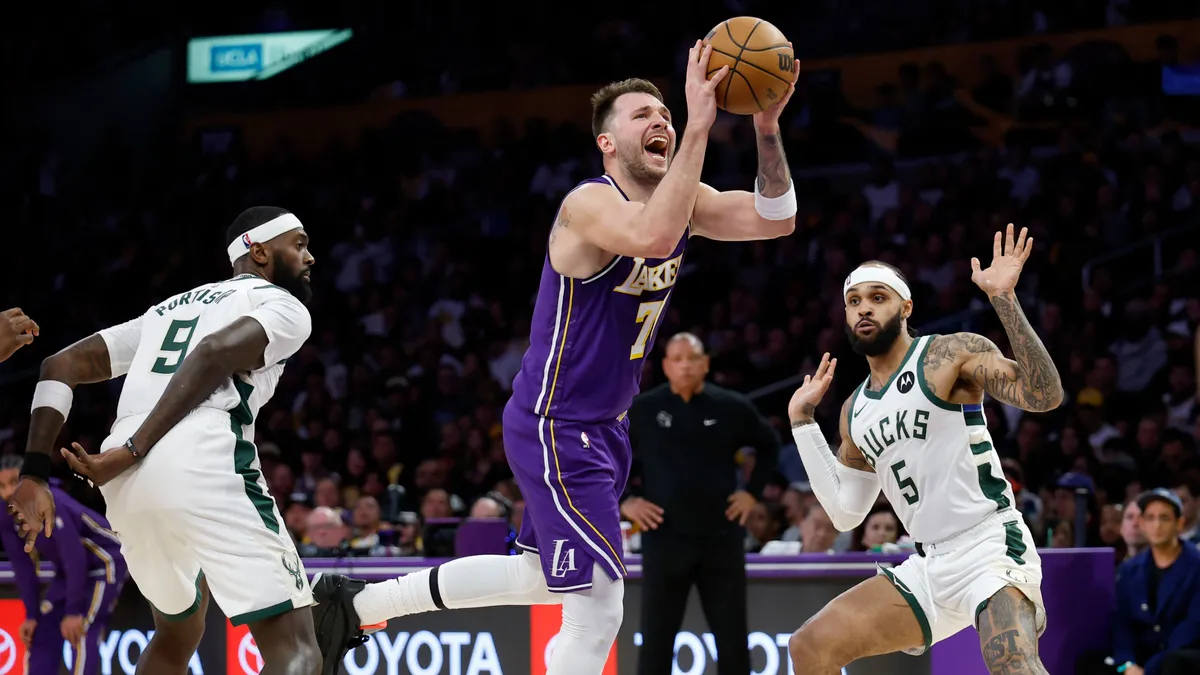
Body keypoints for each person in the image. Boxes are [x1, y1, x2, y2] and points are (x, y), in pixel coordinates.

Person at [312, 41, 801, 675]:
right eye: (642, 115)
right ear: (607, 143)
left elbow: (776, 218)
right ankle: (359, 605)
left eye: (666, 113)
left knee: (542, 576)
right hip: (559, 422)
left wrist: (766, 127)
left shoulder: (685, 203)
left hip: (605, 427)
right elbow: (652, 238)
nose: (661, 120)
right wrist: (700, 125)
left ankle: (359, 604)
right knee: (597, 606)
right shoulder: (587, 203)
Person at [6, 206, 328, 674]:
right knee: (296, 646)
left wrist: (36, 472)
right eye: (299, 244)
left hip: (127, 485)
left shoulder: (166, 310)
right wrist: (133, 448)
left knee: (177, 633)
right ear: (259, 251)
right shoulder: (281, 304)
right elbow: (213, 353)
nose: (310, 257)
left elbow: (60, 365)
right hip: (191, 453)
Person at [786, 225, 1065, 674]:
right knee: (810, 647)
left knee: (1013, 664)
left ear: (906, 307)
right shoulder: (854, 410)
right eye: (854, 301)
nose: (863, 308)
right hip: (930, 563)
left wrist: (1004, 300)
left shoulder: (948, 355)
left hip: (990, 546)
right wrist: (802, 422)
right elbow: (845, 514)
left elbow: (1043, 395)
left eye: (877, 297)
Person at [623, 332, 779, 675]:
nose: (685, 366)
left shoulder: (730, 406)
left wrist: (751, 492)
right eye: (677, 359)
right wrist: (625, 501)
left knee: (732, 639)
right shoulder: (643, 409)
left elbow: (769, 444)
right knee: (655, 640)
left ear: (705, 364)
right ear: (665, 366)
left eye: (692, 358)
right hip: (664, 539)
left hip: (720, 539)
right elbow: (606, 456)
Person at [0, 456, 126, 675]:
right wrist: (31, 615)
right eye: (1, 486)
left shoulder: (52, 500)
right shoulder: (6, 515)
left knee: (80, 628)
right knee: (41, 629)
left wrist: (74, 610)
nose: (9, 491)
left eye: (13, 482)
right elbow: (23, 568)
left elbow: (74, 555)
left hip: (105, 560)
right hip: (68, 571)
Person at [1110, 489, 1200, 675]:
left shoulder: (1196, 566)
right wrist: (1127, 663)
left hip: (1180, 656)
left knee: (1175, 663)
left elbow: (1192, 628)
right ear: (1142, 524)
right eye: (1150, 518)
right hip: (1141, 659)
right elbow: (1122, 624)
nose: (1157, 525)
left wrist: (1150, 669)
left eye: (1164, 518)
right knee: (1090, 661)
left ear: (1180, 523)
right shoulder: (1129, 570)